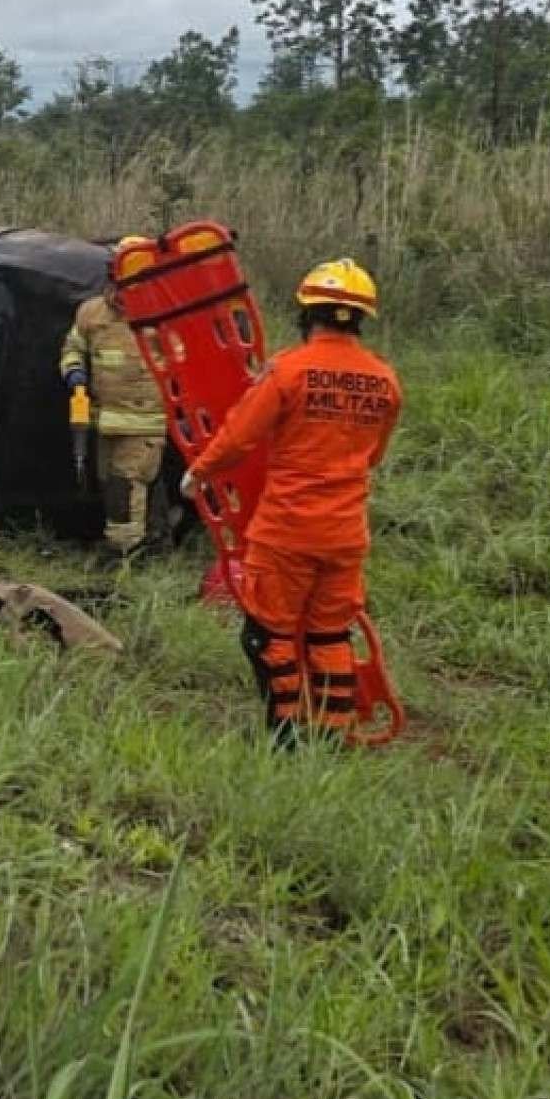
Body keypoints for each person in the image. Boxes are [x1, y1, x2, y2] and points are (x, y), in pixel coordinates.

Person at [181, 258, 402, 748]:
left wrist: (200, 472)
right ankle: (333, 733)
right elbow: (374, 455)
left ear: (308, 314)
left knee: (268, 635)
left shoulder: (290, 371)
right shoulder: (385, 381)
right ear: (361, 318)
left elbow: (240, 437)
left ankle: (284, 735)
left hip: (286, 531)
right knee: (328, 637)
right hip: (345, 535)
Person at [61, 241, 170, 555]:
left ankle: (125, 554)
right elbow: (73, 348)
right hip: (104, 419)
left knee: (127, 483)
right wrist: (75, 374)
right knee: (110, 483)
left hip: (145, 422)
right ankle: (145, 539)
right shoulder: (93, 312)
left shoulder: (165, 315)